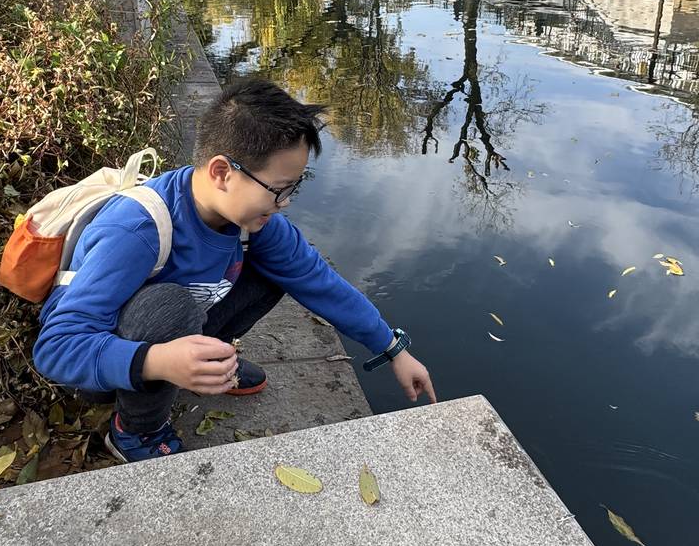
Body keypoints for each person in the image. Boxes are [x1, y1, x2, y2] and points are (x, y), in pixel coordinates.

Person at [33, 78, 437, 463]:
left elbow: (318, 281)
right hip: (103, 364)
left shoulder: (252, 222)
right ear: (222, 173)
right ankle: (136, 430)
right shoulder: (136, 230)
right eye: (279, 189)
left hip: (172, 330)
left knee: (276, 272)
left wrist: (392, 348)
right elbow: (56, 348)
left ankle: (209, 360)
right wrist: (158, 362)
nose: (285, 203)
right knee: (170, 306)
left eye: (294, 188)